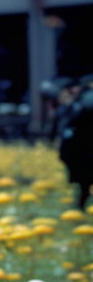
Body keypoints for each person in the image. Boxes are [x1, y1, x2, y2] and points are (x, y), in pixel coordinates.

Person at [57, 76, 93, 211]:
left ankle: (80, 206)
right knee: (84, 182)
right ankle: (81, 205)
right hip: (82, 148)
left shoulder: (83, 102)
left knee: (84, 181)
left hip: (82, 149)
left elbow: (72, 124)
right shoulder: (81, 101)